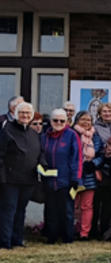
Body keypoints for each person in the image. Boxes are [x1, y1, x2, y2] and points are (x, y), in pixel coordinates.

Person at [0, 102, 44, 249]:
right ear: (16, 113)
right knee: (9, 210)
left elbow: (39, 154)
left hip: (29, 179)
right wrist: (3, 178)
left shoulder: (33, 133)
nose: (25, 116)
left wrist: (43, 166)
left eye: (27, 113)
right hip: (10, 179)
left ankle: (17, 240)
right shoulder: (7, 130)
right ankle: (5, 241)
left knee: (21, 210)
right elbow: (1, 155)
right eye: (22, 113)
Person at [41, 108, 82, 244]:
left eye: (62, 120)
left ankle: (67, 237)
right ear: (51, 121)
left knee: (67, 211)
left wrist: (75, 178)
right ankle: (51, 237)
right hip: (48, 180)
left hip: (66, 180)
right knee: (50, 210)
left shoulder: (71, 135)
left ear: (66, 121)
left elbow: (76, 158)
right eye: (55, 120)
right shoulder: (44, 136)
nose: (58, 122)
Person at [72, 111, 104, 241]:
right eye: (83, 119)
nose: (86, 122)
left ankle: (84, 233)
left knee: (87, 206)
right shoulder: (72, 134)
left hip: (90, 175)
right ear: (77, 120)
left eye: (89, 120)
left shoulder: (96, 137)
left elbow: (102, 154)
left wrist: (94, 163)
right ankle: (69, 230)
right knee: (72, 205)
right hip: (74, 174)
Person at [91, 102, 111, 237]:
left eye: (110, 111)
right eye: (104, 111)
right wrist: (97, 166)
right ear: (100, 113)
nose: (107, 114)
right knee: (97, 202)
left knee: (109, 202)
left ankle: (106, 229)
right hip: (100, 168)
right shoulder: (94, 128)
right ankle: (94, 230)